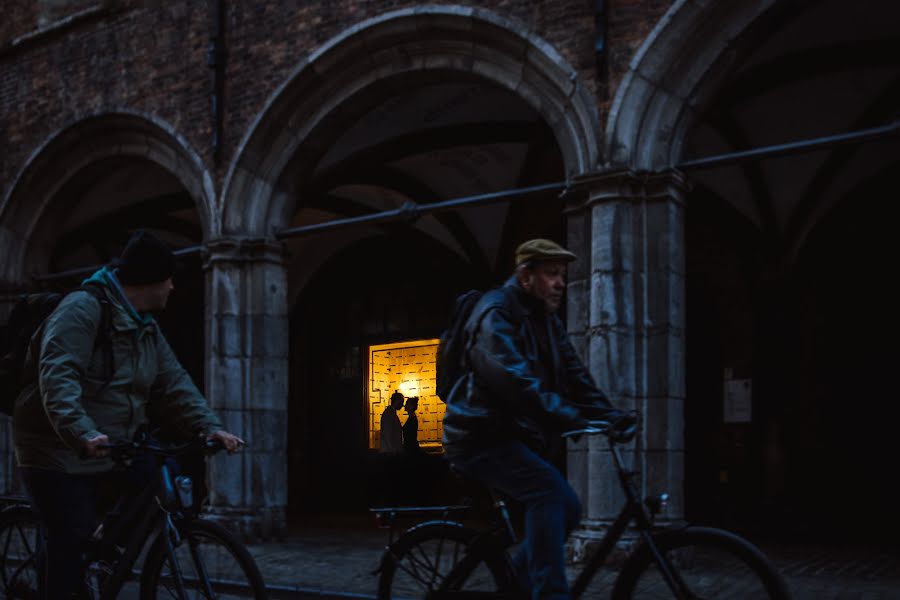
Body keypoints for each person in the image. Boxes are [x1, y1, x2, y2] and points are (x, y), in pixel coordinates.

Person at [12, 229, 244, 599]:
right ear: (148, 280)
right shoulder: (81, 309)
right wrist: (81, 432)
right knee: (67, 545)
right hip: (53, 446)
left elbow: (173, 382)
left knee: (157, 475)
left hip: (113, 440)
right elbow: (58, 375)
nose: (171, 287)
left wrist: (209, 427)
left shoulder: (144, 326)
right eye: (168, 279)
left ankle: (102, 549)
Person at [442, 238, 636, 600]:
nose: (561, 283)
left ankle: (516, 578)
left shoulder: (545, 319)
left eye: (562, 275)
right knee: (548, 493)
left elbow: (576, 375)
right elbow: (513, 380)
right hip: (477, 436)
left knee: (569, 507)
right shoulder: (494, 312)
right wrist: (568, 417)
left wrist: (609, 416)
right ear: (525, 276)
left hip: (508, 434)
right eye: (551, 274)